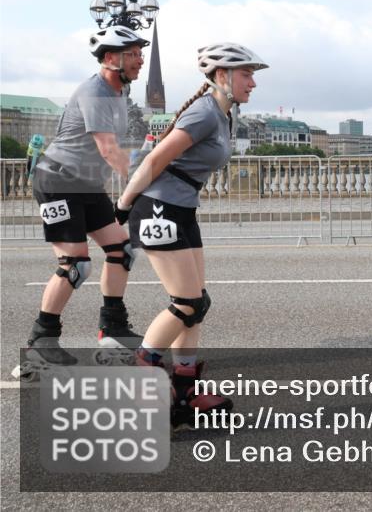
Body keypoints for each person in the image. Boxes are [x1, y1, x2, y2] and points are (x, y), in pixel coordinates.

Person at [114, 42, 267, 428]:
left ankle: (184, 391)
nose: (253, 82)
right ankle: (144, 369)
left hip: (182, 210)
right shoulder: (203, 114)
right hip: (158, 208)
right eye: (246, 74)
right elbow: (155, 159)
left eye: (252, 74)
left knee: (199, 302)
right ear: (222, 76)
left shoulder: (223, 114)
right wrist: (124, 203)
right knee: (185, 303)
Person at [17, 26, 149, 378]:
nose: (140, 59)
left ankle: (113, 331)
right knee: (75, 265)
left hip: (86, 184)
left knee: (123, 250)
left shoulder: (117, 93)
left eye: (139, 52)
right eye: (133, 53)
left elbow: (118, 150)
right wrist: (143, 185)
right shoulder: (96, 93)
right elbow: (108, 150)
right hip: (59, 180)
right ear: (110, 58)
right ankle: (39, 345)